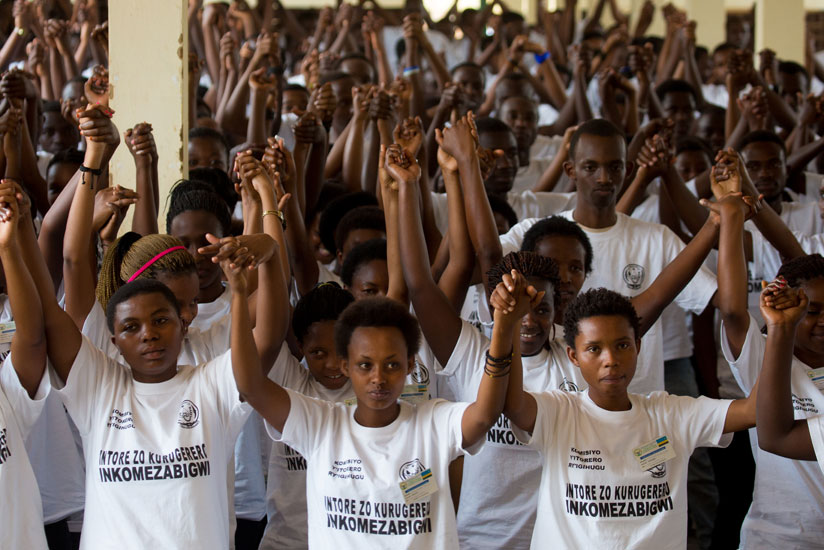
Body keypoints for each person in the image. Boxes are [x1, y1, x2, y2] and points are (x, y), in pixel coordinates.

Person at [504, 287, 757, 549]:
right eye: (593, 349)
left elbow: (753, 411)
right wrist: (508, 322)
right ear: (573, 356)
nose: (610, 360)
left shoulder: (671, 415)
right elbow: (511, 403)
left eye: (622, 345)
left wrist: (779, 333)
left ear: (637, 346)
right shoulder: (558, 412)